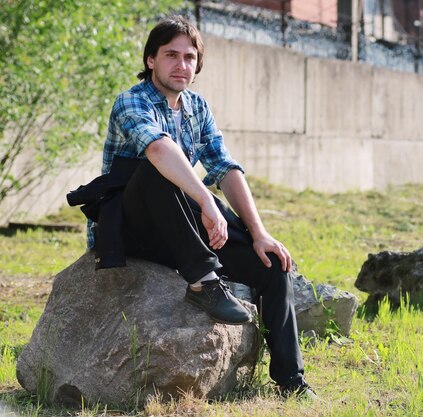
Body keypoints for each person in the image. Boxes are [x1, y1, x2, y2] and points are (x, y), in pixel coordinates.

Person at [86, 15, 315, 399]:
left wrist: (259, 233)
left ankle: (291, 380)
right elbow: (159, 150)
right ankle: (204, 283)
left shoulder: (196, 108)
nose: (182, 65)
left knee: (272, 263)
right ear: (150, 61)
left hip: (178, 225)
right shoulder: (131, 101)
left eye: (190, 57)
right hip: (129, 229)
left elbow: (224, 167)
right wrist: (207, 201)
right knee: (157, 166)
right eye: (171, 55)